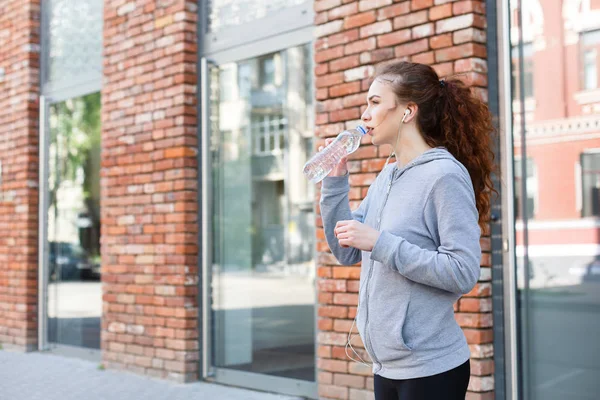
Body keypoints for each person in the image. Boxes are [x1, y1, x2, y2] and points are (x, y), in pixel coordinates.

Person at [319, 61, 496, 400]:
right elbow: (346, 251)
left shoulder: (444, 176)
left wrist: (381, 243)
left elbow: (463, 272)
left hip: (431, 369)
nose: (364, 115)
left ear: (407, 111)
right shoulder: (387, 176)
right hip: (385, 367)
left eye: (374, 102)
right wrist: (335, 181)